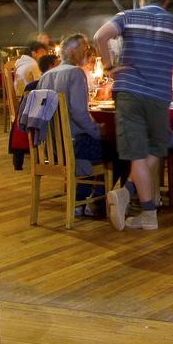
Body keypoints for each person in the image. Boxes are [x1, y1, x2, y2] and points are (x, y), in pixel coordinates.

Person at [95, 0, 173, 232]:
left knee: (139, 152)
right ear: (165, 2)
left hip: (130, 92)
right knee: (155, 148)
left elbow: (99, 37)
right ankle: (135, 201)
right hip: (160, 95)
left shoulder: (127, 17)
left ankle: (138, 204)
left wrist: (109, 67)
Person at [37, 33, 105, 217]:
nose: (86, 51)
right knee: (114, 148)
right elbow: (79, 113)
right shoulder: (75, 73)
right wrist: (98, 131)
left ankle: (81, 199)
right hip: (74, 146)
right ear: (71, 51)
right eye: (83, 47)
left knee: (94, 142)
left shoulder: (45, 76)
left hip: (50, 148)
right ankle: (94, 201)